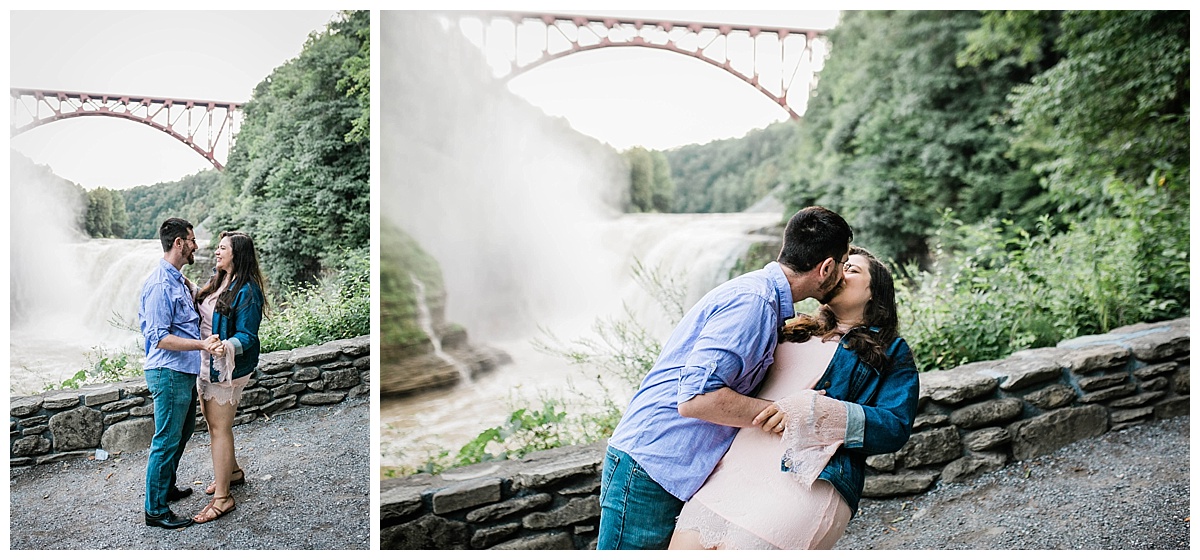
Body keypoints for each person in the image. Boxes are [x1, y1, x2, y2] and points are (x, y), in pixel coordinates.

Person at [597, 206, 854, 550]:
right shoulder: (753, 303)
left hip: (667, 468)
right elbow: (696, 399)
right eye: (844, 262)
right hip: (650, 466)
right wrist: (785, 412)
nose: (844, 273)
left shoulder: (763, 299)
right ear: (825, 267)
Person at [668, 246, 920, 549]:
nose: (841, 273)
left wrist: (821, 412)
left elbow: (895, 427)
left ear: (874, 292)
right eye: (841, 266)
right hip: (733, 467)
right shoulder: (789, 327)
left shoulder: (891, 350)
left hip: (806, 484)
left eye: (852, 270)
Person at [139, 217, 220, 529]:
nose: (195, 246)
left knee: (180, 434)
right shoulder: (160, 285)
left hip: (181, 373)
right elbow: (159, 337)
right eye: (192, 240)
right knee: (166, 440)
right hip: (168, 372)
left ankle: (166, 488)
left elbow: (197, 302)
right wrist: (202, 344)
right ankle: (155, 511)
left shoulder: (176, 280)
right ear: (178, 243)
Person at [189, 231, 267, 524]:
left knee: (220, 428)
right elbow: (207, 306)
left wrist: (225, 346)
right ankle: (232, 473)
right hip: (207, 363)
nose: (217, 252)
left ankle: (223, 498)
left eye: (222, 248)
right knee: (214, 424)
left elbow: (248, 335)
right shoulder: (220, 280)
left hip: (227, 369)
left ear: (237, 254)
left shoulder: (248, 290)